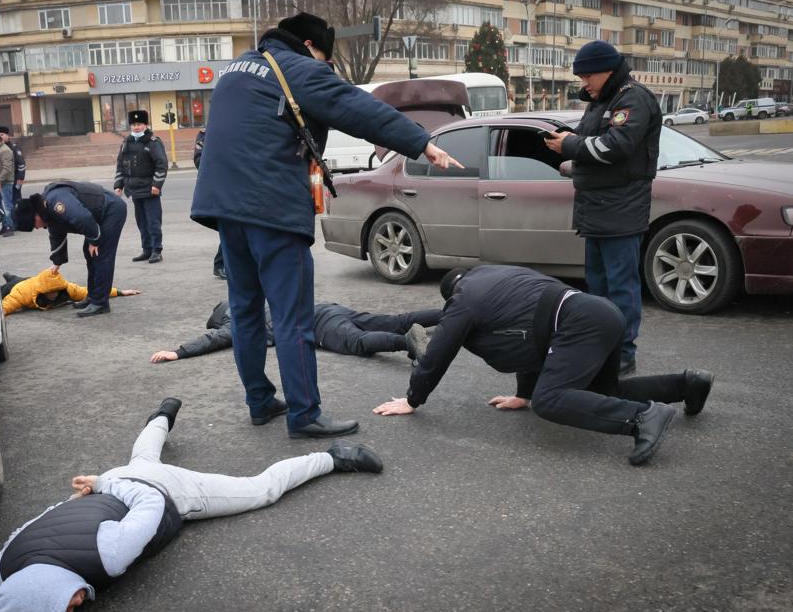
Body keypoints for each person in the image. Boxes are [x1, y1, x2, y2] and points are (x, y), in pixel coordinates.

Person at [190, 12, 461, 439]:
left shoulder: (235, 71)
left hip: (225, 211)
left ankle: (259, 403)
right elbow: (358, 108)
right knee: (294, 316)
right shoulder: (299, 68)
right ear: (312, 47)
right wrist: (422, 142)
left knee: (245, 313)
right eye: (325, 60)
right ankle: (304, 414)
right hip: (272, 212)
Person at [0, 398, 382, 612]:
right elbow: (48, 516)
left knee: (260, 490)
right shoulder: (4, 568)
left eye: (64, 606)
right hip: (119, 486)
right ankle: (162, 415)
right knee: (142, 458)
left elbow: (151, 505)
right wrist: (98, 487)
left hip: (164, 492)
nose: (76, 604)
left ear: (44, 592)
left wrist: (106, 482)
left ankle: (332, 457)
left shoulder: (110, 555)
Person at [373, 266, 715, 466]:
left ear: (451, 294)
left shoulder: (463, 301)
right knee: (603, 393)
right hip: (601, 313)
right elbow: (529, 333)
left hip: (577, 323)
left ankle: (642, 418)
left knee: (550, 401)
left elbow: (439, 351)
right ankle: (686, 385)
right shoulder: (499, 278)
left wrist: (413, 398)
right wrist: (523, 394)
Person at [543, 40, 661, 377]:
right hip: (595, 210)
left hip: (621, 211)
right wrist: (564, 140)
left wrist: (571, 145)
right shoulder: (600, 101)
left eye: (586, 77)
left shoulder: (633, 98)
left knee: (621, 288)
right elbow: (585, 138)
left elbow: (617, 146)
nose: (584, 84)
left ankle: (623, 354)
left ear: (606, 70)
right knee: (596, 289)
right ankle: (600, 347)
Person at [150, 300, 439, 372]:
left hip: (317, 323)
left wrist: (179, 352)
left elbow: (215, 339)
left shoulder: (238, 320)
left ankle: (408, 343)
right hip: (325, 306)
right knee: (393, 320)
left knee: (358, 344)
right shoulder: (253, 300)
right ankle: (450, 313)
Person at [12, 181, 127, 317]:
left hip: (111, 210)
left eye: (34, 225)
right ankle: (92, 296)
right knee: (89, 253)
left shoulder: (55, 201)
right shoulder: (47, 211)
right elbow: (57, 235)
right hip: (98, 216)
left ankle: (100, 303)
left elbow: (82, 217)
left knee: (100, 254)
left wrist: (95, 241)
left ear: (35, 215)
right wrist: (57, 262)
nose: (36, 228)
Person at [114, 110, 168, 264]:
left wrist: (157, 185)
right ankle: (147, 249)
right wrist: (119, 185)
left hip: (150, 189)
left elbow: (161, 165)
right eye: (134, 124)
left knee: (153, 222)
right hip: (134, 190)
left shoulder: (153, 142)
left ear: (146, 125)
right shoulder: (126, 142)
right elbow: (120, 165)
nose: (136, 127)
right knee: (141, 222)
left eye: (139, 124)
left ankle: (157, 250)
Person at [0, 269, 139, 316]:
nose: (55, 294)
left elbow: (88, 292)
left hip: (31, 280)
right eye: (51, 292)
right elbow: (7, 305)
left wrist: (120, 292)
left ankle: (10, 276)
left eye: (56, 290)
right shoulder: (22, 293)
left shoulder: (66, 288)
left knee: (19, 279)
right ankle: (9, 278)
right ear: (43, 291)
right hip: (18, 286)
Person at [193, 127, 226, 280]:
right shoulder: (206, 134)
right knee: (229, 228)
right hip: (219, 185)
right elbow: (199, 160)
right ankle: (220, 265)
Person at [0, 126, 27, 207]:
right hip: (2, 180)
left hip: (14, 179)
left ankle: (18, 218)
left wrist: (20, 178)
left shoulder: (14, 147)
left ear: (8, 135)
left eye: (2, 134)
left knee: (16, 201)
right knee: (5, 203)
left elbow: (21, 163)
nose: (0, 136)